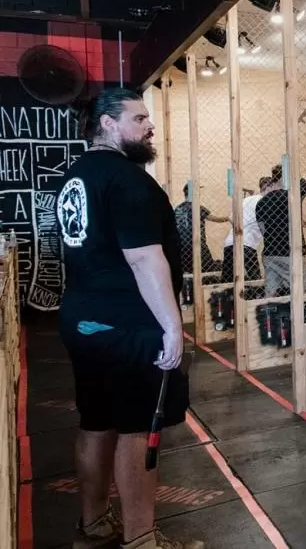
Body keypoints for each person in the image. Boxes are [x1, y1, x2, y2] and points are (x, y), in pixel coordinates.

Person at [56, 88, 201, 549]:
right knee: (140, 428)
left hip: (84, 319)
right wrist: (172, 328)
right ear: (107, 124)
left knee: (97, 421)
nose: (148, 126)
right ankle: (142, 540)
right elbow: (144, 260)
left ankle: (94, 523)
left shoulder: (75, 176)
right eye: (138, 119)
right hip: (130, 326)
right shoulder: (129, 181)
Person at [256, 137, 306, 296]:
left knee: (273, 297)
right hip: (291, 254)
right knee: (302, 295)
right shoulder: (292, 196)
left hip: (270, 255)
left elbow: (263, 231)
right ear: (286, 178)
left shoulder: (260, 204)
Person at [220, 178, 271, 283]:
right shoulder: (265, 202)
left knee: (228, 282)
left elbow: (231, 218)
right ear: (269, 187)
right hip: (247, 244)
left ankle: (226, 298)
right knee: (255, 282)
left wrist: (243, 227)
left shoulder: (246, 200)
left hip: (230, 243)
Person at [173, 184, 228, 275]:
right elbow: (216, 219)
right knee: (210, 269)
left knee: (188, 271)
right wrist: (228, 218)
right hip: (198, 245)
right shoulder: (197, 208)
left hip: (181, 247)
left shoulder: (177, 209)